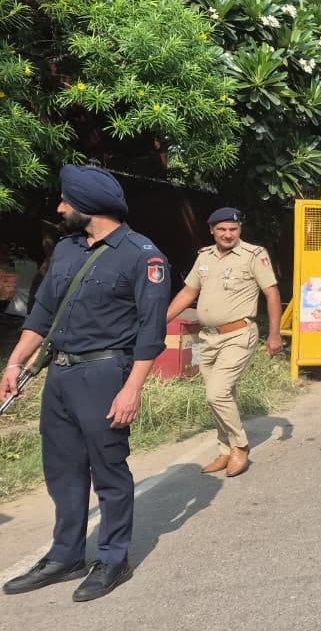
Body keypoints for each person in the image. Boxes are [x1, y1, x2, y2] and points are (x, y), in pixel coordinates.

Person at [1, 165, 169, 601]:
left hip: (106, 374)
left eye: (66, 201)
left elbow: (151, 335)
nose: (60, 208)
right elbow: (41, 314)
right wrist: (14, 365)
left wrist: (132, 389)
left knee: (109, 471)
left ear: (89, 207)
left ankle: (113, 558)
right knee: (62, 470)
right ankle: (65, 554)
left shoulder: (142, 255)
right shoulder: (68, 249)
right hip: (58, 374)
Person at [164, 207, 283, 478]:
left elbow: (272, 293)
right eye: (222, 230)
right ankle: (225, 450)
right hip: (209, 337)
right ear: (212, 230)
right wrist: (162, 320)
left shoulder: (254, 255)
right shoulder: (204, 257)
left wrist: (275, 334)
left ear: (240, 230)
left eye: (233, 229)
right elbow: (189, 291)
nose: (228, 234)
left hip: (239, 335)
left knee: (216, 393)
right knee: (218, 397)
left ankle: (240, 446)